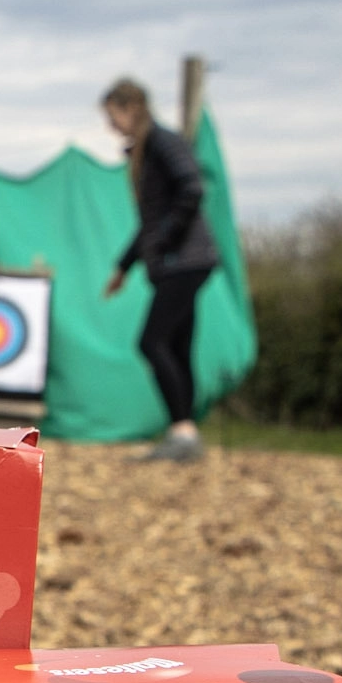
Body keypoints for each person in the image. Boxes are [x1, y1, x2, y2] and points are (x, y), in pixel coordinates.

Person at [101, 77, 219, 462]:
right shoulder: (146, 151)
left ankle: (182, 432)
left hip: (184, 262)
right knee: (177, 347)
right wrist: (123, 266)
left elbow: (192, 189)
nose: (111, 125)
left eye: (112, 115)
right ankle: (185, 435)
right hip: (180, 262)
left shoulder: (162, 142)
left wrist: (167, 241)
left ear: (129, 108)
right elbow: (151, 223)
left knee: (152, 341)